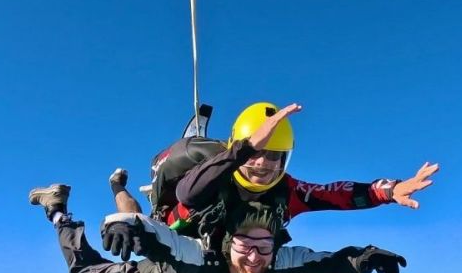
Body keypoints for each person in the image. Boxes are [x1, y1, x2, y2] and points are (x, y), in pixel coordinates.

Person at [29, 183, 407, 273]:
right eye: (246, 246)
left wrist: (365, 258)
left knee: (149, 219)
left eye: (265, 246)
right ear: (228, 246)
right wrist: (121, 226)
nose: (256, 257)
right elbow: (156, 238)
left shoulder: (275, 262)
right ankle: (59, 212)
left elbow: (326, 263)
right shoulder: (199, 258)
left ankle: (131, 191)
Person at [109, 102, 440, 249]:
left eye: (275, 157)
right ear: (241, 149)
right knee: (138, 221)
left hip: (229, 254)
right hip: (176, 228)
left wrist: (389, 190)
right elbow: (188, 194)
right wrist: (245, 148)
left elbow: (336, 193)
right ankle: (118, 187)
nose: (265, 165)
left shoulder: (287, 191)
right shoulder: (215, 175)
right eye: (257, 155)